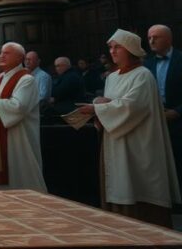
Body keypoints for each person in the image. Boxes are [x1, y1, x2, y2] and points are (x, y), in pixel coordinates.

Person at [76, 29, 181, 227]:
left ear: (131, 50)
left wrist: (98, 107)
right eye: (111, 48)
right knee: (118, 182)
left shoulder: (143, 75)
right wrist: (99, 109)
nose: (113, 52)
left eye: (118, 47)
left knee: (138, 184)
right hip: (115, 140)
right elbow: (114, 104)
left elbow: (133, 106)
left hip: (139, 142)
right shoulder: (112, 77)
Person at [0, 41, 46, 192]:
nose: (1, 56)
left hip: (17, 136)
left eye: (7, 53)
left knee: (19, 170)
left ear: (20, 58)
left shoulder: (26, 80)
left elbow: (19, 107)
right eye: (1, 53)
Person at [145, 23, 182, 194]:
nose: (151, 41)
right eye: (149, 38)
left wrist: (177, 112)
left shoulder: (180, 60)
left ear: (168, 39)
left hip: (177, 119)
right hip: (154, 119)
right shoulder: (147, 65)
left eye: (156, 37)